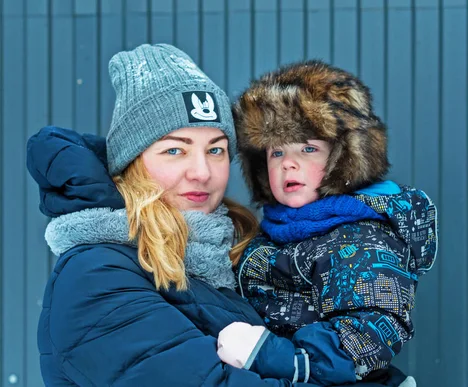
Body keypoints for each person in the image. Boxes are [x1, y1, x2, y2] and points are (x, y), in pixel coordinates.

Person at [28, 43, 324, 387]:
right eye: (174, 150)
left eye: (215, 150)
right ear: (132, 163)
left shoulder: (235, 260)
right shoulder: (95, 276)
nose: (201, 172)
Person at [216, 61, 438, 387]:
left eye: (308, 148)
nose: (289, 163)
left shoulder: (363, 238)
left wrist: (271, 355)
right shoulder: (275, 228)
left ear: (343, 159)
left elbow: (368, 335)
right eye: (277, 152)